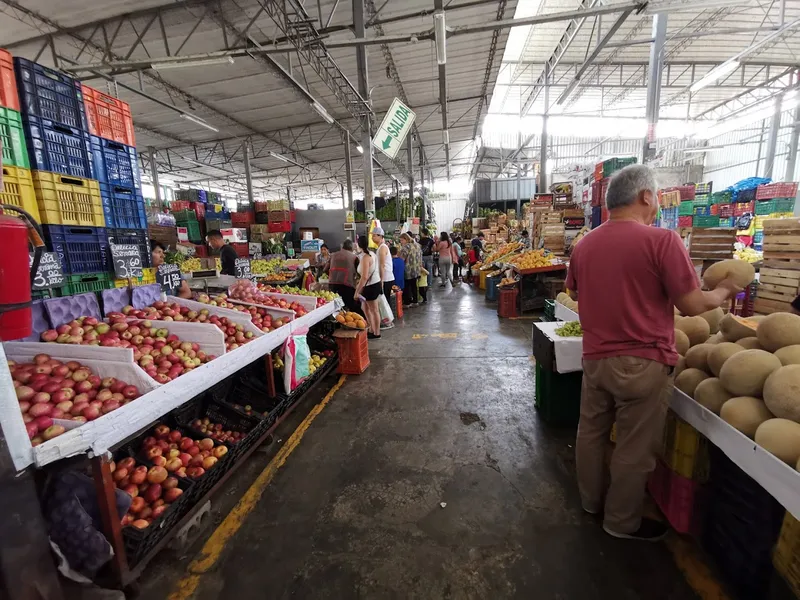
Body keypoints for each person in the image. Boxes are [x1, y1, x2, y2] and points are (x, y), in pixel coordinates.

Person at [565, 164, 741, 543]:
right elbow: (693, 305)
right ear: (646, 196)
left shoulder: (585, 246)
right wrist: (725, 290)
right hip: (642, 362)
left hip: (595, 358)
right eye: (657, 196)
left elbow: (577, 294)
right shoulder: (662, 241)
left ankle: (590, 502)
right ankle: (621, 522)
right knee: (633, 445)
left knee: (591, 433)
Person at [354, 235, 382, 340]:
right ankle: (371, 329)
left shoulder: (366, 257)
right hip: (374, 284)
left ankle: (376, 332)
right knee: (365, 307)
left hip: (371, 286)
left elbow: (365, 277)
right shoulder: (372, 254)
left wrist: (357, 291)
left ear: (358, 244)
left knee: (374, 310)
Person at [325, 240, 360, 313]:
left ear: (342, 247)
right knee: (349, 307)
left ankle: (337, 322)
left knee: (335, 307)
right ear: (352, 248)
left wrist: (332, 275)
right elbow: (359, 272)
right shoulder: (354, 257)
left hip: (333, 284)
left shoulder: (333, 255)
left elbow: (325, 269)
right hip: (347, 285)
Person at [371, 227, 395, 301]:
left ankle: (388, 313)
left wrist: (381, 280)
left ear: (380, 236)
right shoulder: (380, 247)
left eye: (374, 236)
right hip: (385, 278)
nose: (372, 238)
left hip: (386, 279)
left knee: (385, 301)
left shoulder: (382, 248)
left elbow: (382, 265)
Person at [399, 232, 421, 307]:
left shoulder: (406, 247)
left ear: (406, 239)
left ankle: (407, 303)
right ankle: (415, 301)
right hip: (416, 269)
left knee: (407, 286)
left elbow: (402, 258)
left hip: (408, 269)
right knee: (414, 285)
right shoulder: (417, 245)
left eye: (402, 240)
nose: (401, 242)